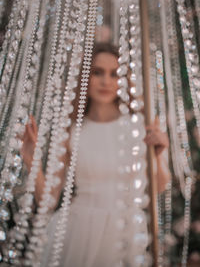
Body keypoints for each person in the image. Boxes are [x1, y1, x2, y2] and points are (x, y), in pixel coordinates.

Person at [21, 43, 170, 266]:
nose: (106, 81)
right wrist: (32, 161)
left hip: (125, 230)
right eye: (97, 72)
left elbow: (158, 187)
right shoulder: (71, 131)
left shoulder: (139, 126)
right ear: (85, 77)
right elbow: (48, 200)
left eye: (114, 74)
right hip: (78, 230)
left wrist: (158, 156)